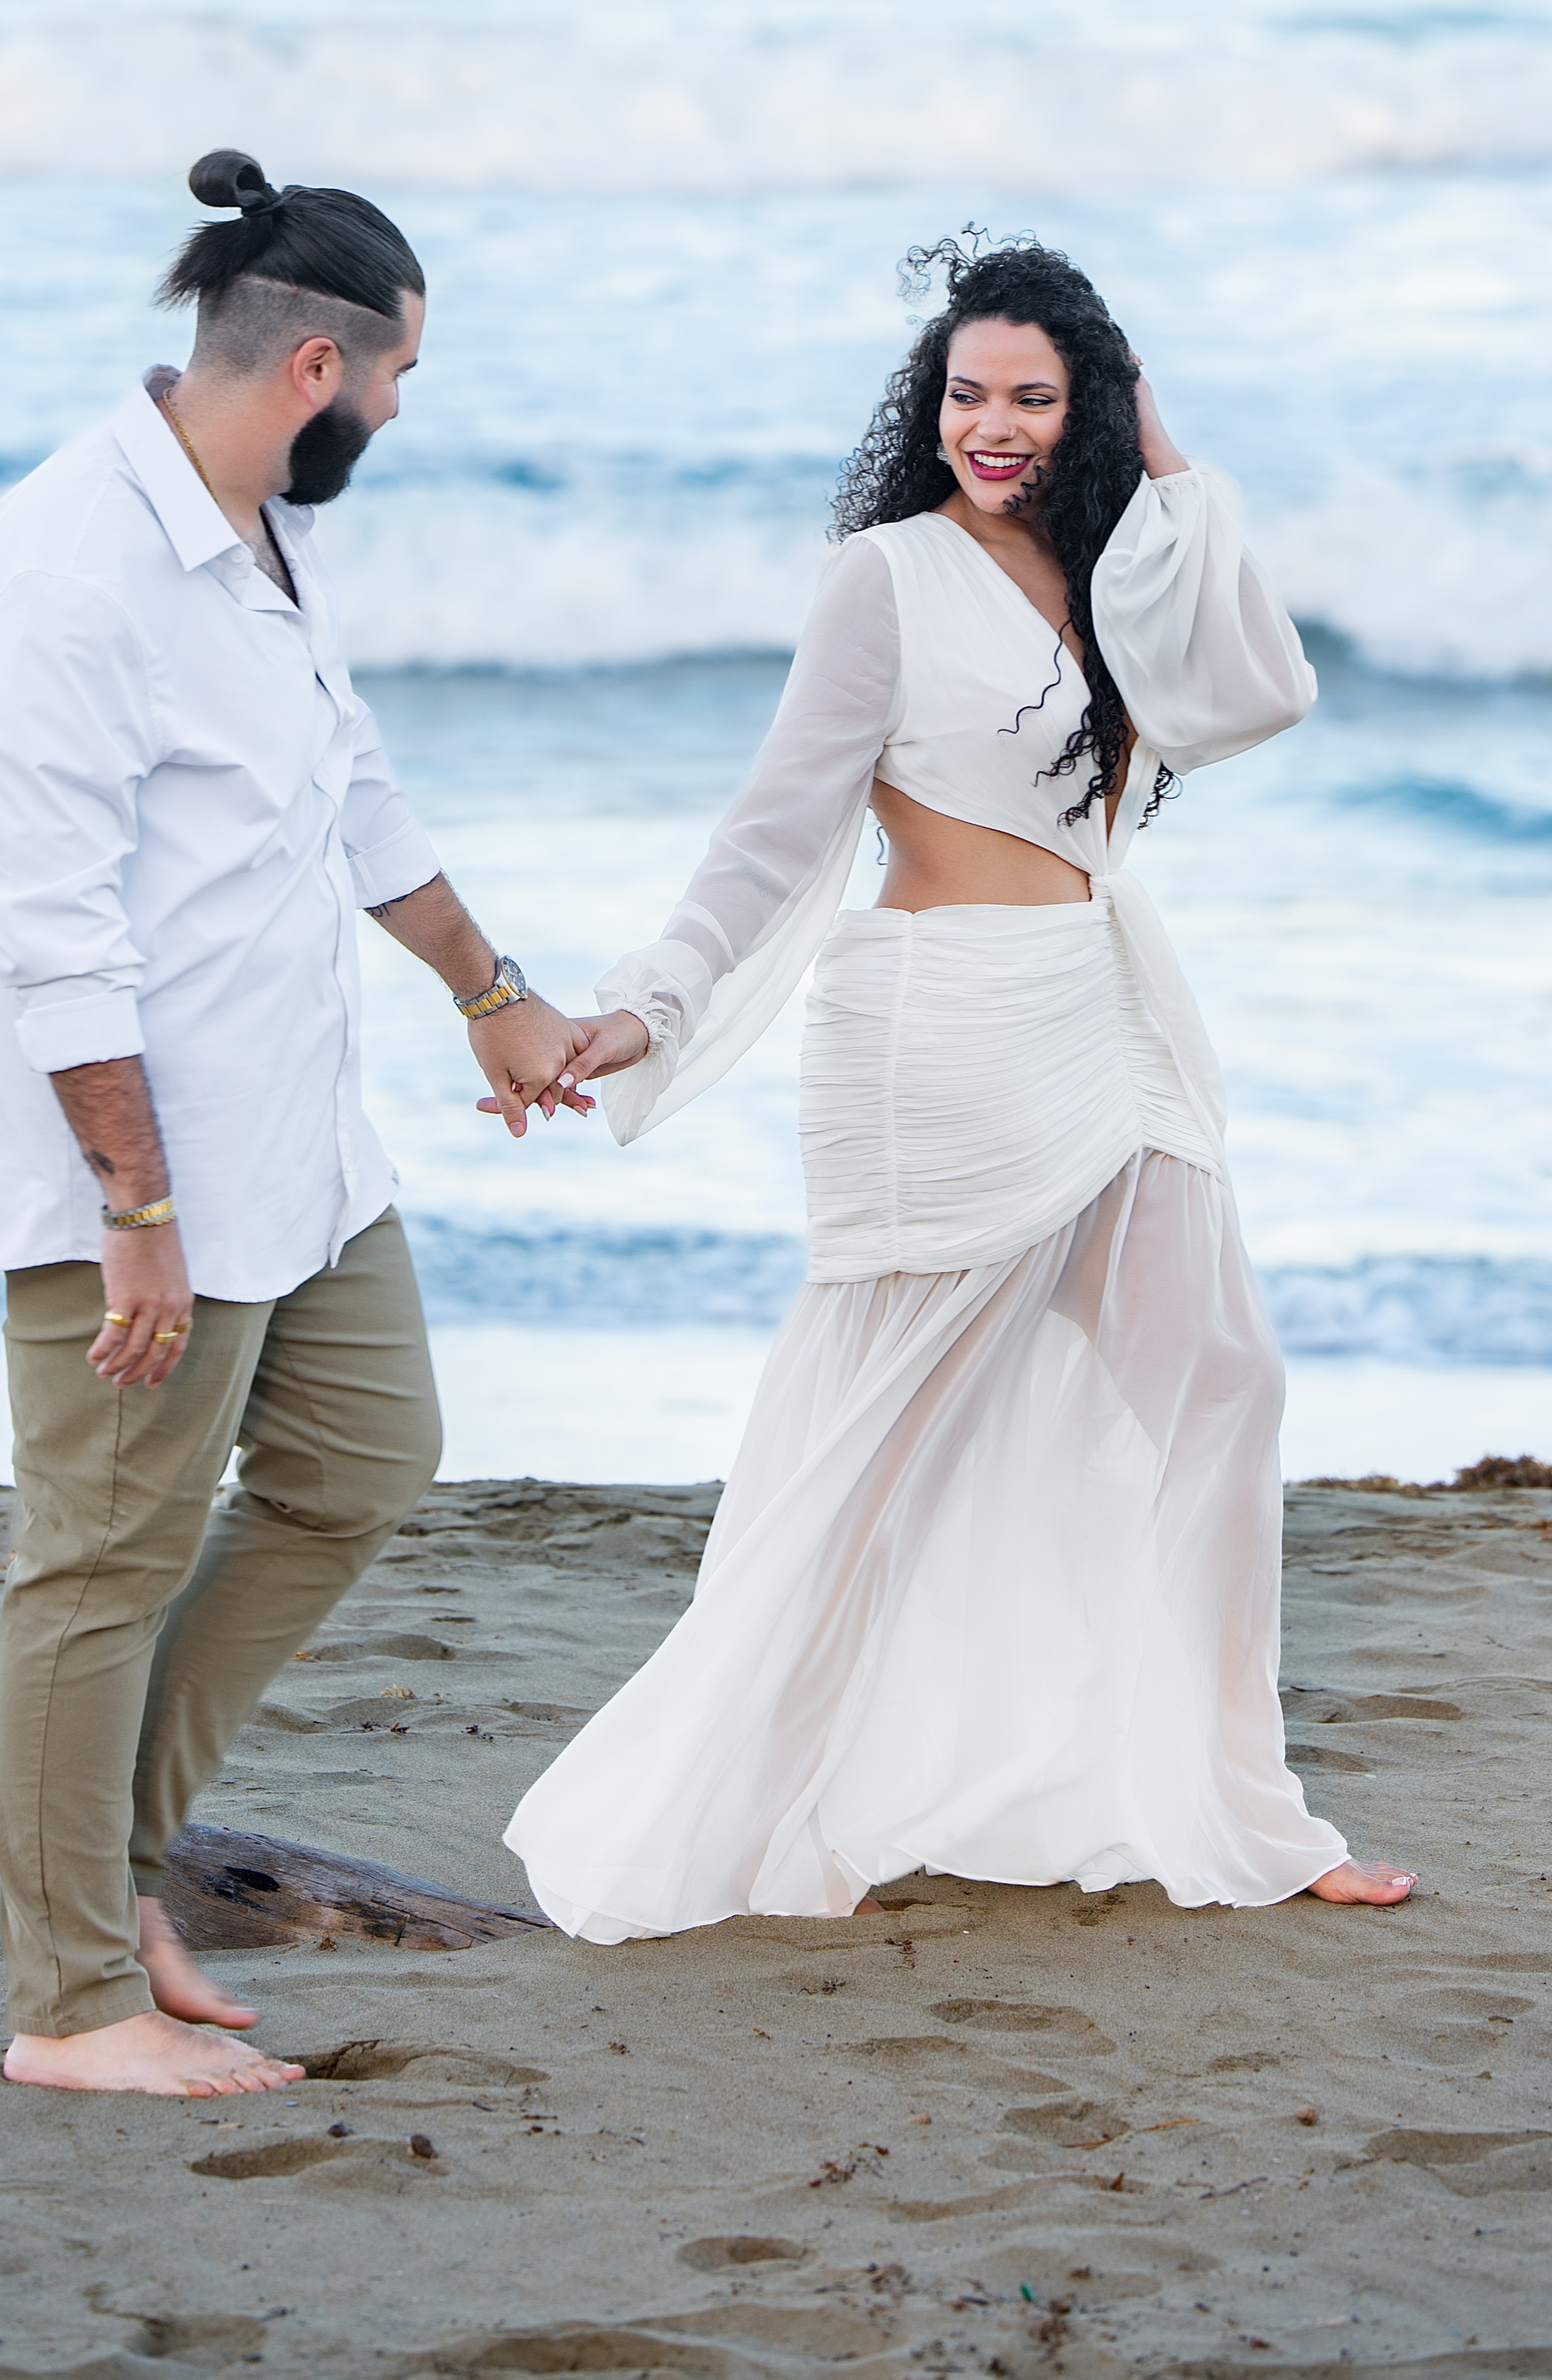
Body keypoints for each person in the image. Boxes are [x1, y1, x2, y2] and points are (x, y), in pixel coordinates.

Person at [504, 236, 1414, 1939]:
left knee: (1225, 1381)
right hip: (941, 1033)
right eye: (965, 394)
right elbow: (778, 825)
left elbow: (1267, 692)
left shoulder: (1124, 568)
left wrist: (1166, 464)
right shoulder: (888, 579)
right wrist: (648, 1005)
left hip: (1109, 1014)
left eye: (1033, 399)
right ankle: (757, 1810)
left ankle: (1241, 1811)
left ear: (1094, 408)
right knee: (884, 1452)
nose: (990, 428)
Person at [0, 152, 586, 2096]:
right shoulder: (61, 565)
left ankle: (111, 1875)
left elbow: (351, 788)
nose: (396, 414)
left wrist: (490, 993)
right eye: (397, 380)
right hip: (140, 1166)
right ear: (315, 366)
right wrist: (133, 1207)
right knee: (102, 1558)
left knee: (365, 1460)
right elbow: (49, 924)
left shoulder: (260, 528)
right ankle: (65, 2005)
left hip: (303, 1132)